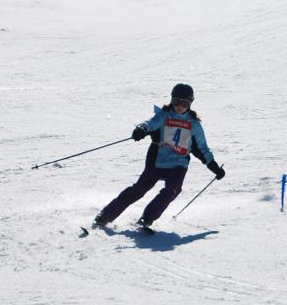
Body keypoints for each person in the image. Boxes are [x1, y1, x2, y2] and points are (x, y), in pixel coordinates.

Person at [93, 83, 225, 230]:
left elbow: (202, 148)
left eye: (184, 103)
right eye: (176, 102)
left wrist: (213, 166)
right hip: (157, 160)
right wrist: (142, 129)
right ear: (171, 100)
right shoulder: (164, 115)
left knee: (173, 190)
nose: (179, 106)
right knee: (139, 189)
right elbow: (151, 123)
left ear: (190, 103)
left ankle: (147, 218)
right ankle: (105, 216)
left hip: (178, 163)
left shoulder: (194, 124)